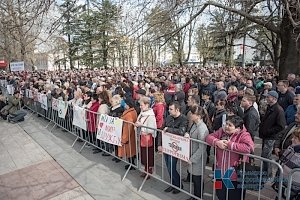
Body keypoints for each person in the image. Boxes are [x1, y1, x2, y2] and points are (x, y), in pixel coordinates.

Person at [206, 115, 254, 200]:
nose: (226, 127)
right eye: (226, 124)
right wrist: (217, 142)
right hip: (218, 170)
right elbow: (208, 137)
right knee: (219, 193)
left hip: (233, 172)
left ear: (238, 129)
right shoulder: (221, 131)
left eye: (230, 125)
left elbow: (249, 148)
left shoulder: (244, 135)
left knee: (233, 195)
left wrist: (230, 144)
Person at [158, 101, 188, 194]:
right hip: (167, 146)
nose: (169, 111)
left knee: (172, 166)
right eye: (169, 109)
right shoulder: (168, 117)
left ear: (177, 109)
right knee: (168, 166)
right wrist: (159, 144)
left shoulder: (183, 119)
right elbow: (161, 130)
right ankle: (173, 184)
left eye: (171, 109)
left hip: (175, 148)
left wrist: (169, 129)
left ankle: (178, 185)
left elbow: (181, 131)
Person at [259, 90, 286, 177]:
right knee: (265, 156)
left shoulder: (278, 110)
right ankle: (266, 173)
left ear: (274, 98)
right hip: (266, 136)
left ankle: (266, 174)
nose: (266, 98)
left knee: (266, 156)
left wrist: (268, 131)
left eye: (268, 97)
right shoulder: (270, 107)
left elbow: (281, 126)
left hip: (271, 137)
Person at [184, 105, 209, 200]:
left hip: (197, 158)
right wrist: (187, 134)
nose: (190, 115)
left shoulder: (202, 128)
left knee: (197, 179)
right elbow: (191, 134)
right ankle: (195, 196)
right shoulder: (195, 124)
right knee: (195, 178)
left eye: (192, 113)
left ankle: (198, 197)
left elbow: (202, 148)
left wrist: (192, 159)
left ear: (198, 116)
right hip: (193, 155)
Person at [135, 96, 157, 179]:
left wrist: (141, 125)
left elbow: (152, 129)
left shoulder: (150, 116)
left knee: (148, 154)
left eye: (142, 105)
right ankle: (145, 169)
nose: (140, 107)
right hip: (142, 136)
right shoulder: (142, 112)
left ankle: (148, 170)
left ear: (147, 105)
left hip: (147, 138)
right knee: (143, 154)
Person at [118, 97, 138, 169]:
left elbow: (128, 127)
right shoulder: (133, 111)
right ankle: (131, 164)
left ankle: (131, 164)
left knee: (129, 151)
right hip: (131, 134)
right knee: (131, 150)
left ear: (127, 104)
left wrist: (124, 138)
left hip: (128, 135)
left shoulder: (129, 114)